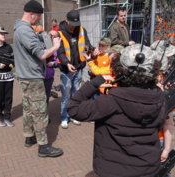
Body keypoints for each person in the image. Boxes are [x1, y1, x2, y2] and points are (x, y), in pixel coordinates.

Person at [67, 44, 167, 177]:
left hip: (113, 171)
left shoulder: (110, 101)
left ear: (120, 68)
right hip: (147, 168)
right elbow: (159, 124)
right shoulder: (160, 98)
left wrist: (92, 84)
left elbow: (73, 109)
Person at [13, 0, 63, 157]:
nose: (39, 20)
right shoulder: (25, 31)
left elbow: (32, 49)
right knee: (40, 111)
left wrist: (46, 38)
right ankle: (43, 146)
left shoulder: (21, 29)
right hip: (32, 78)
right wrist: (55, 46)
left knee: (28, 108)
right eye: (38, 16)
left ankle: (29, 137)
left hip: (25, 76)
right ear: (31, 14)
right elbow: (41, 54)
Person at [57, 9, 99, 129]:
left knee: (76, 94)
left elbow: (87, 45)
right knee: (66, 95)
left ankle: (73, 115)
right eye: (72, 24)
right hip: (66, 70)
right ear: (66, 20)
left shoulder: (81, 30)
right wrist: (66, 64)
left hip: (79, 67)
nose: (74, 27)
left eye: (76, 24)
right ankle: (65, 117)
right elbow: (60, 52)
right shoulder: (60, 33)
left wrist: (93, 49)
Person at [151, 40, 175, 177]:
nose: (170, 58)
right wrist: (166, 149)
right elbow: (168, 123)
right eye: (168, 56)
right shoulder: (162, 86)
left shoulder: (166, 78)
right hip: (156, 139)